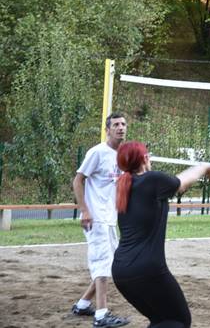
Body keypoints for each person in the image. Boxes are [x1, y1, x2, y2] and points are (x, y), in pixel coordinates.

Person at [112, 141, 210, 328]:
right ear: (145, 158)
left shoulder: (125, 186)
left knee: (161, 320)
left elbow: (177, 186)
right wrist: (204, 166)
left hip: (121, 271)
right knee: (179, 321)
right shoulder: (152, 180)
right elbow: (181, 183)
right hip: (146, 269)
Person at [71, 112, 130, 328]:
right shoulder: (97, 152)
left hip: (110, 218)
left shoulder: (122, 155)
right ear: (107, 130)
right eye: (116, 125)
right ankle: (101, 315)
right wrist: (85, 211)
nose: (120, 127)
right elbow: (77, 180)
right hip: (96, 219)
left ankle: (83, 304)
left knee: (109, 265)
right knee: (103, 266)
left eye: (123, 124)